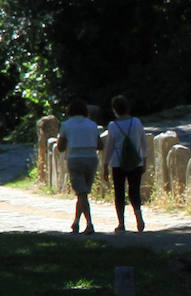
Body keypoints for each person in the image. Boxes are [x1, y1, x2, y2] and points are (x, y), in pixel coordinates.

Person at [55, 99, 101, 235]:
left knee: (81, 193)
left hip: (75, 158)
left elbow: (61, 147)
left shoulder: (66, 125)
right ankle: (77, 222)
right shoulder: (92, 125)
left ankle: (87, 224)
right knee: (83, 193)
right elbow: (100, 145)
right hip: (91, 159)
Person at [104, 94, 147, 233]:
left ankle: (121, 223)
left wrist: (105, 165)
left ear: (114, 109)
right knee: (134, 191)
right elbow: (144, 143)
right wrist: (144, 160)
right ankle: (138, 216)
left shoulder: (113, 125)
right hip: (136, 161)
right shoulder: (136, 122)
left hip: (118, 163)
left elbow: (109, 147)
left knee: (119, 192)